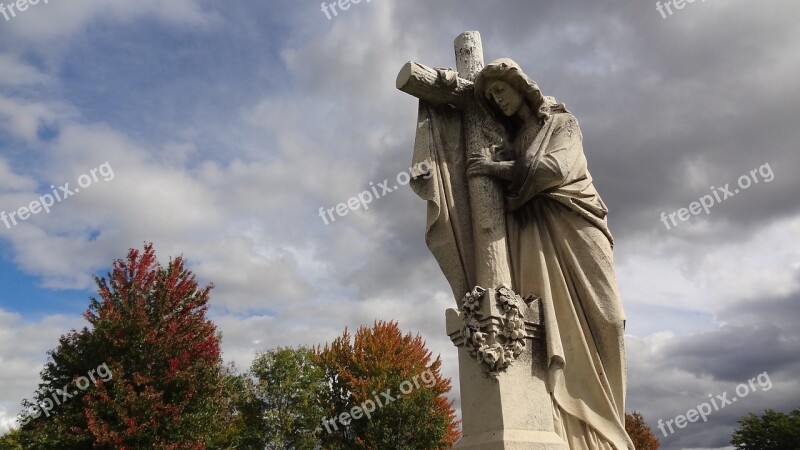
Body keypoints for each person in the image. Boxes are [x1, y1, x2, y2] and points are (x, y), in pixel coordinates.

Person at [468, 58, 634, 450]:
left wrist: (496, 168)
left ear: (521, 86)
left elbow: (555, 168)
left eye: (500, 90)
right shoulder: (511, 141)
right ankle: (563, 426)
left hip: (577, 223)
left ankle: (609, 427)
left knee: (609, 319)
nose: (497, 99)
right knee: (540, 321)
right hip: (535, 232)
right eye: (490, 96)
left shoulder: (562, 124)